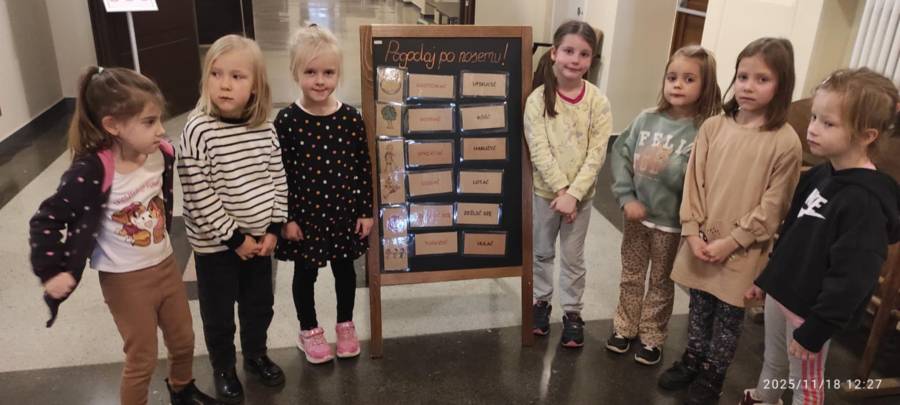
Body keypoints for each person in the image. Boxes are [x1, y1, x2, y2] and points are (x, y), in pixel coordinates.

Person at [30, 66, 219, 405]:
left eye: (159, 119)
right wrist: (51, 271)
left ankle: (182, 390)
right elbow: (45, 220)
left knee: (183, 340)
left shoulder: (160, 155)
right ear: (113, 125)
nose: (161, 130)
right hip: (124, 280)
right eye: (149, 122)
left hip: (165, 266)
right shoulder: (92, 171)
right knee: (142, 357)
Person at [739, 68, 900, 405]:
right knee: (773, 360)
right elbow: (791, 235)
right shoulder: (819, 175)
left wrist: (816, 328)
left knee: (805, 384)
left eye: (828, 123)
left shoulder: (865, 203)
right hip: (782, 293)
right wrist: (767, 279)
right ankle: (765, 398)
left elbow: (853, 279)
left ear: (867, 135)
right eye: (814, 117)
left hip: (809, 311)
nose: (812, 128)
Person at [656, 37, 803, 405]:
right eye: (743, 77)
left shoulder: (785, 142)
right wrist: (692, 232)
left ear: (782, 85)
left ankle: (713, 372)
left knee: (728, 315)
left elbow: (775, 204)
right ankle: (692, 358)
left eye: (762, 79)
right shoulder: (713, 127)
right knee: (699, 305)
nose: (748, 86)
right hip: (702, 240)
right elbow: (694, 182)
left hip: (742, 248)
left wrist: (733, 240)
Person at [178, 34, 288, 403]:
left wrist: (274, 227)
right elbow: (199, 194)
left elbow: (277, 178)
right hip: (217, 247)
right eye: (216, 73)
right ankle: (223, 366)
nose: (225, 84)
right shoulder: (197, 131)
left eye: (237, 76)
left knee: (259, 305)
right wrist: (234, 239)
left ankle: (255, 355)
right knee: (219, 313)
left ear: (255, 85)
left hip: (259, 242)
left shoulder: (264, 127)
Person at [606, 45, 722, 366]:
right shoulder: (646, 119)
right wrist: (626, 197)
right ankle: (624, 326)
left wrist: (676, 172)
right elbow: (621, 155)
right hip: (636, 218)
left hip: (671, 224)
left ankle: (652, 336)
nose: (677, 85)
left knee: (660, 281)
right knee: (631, 274)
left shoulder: (705, 130)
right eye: (672, 77)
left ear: (705, 86)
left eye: (688, 79)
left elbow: (701, 180)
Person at [274, 25, 374, 364]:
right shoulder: (287, 121)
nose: (320, 81)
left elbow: (362, 166)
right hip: (305, 218)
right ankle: (309, 329)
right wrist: (287, 218)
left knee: (345, 272)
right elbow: (279, 174)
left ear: (338, 74)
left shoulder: (350, 119)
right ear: (295, 73)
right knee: (305, 274)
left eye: (328, 73)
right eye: (310, 72)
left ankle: (345, 325)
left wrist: (365, 210)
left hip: (344, 215)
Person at [524, 20, 612, 348]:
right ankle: (540, 302)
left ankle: (573, 312)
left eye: (584, 54)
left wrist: (574, 195)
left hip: (581, 199)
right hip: (545, 195)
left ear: (592, 59)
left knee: (573, 259)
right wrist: (561, 192)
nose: (575, 60)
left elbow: (597, 153)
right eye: (569, 51)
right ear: (554, 54)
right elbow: (538, 150)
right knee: (542, 252)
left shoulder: (598, 101)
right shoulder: (537, 100)